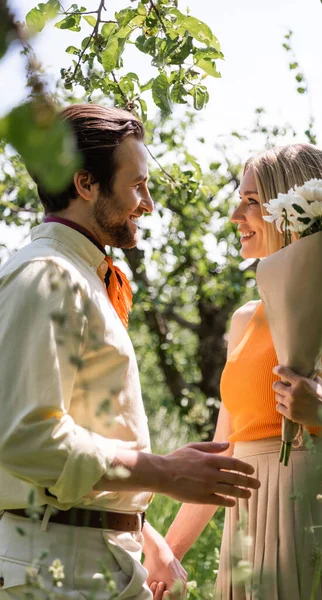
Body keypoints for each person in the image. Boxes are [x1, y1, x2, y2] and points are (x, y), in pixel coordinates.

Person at [0, 103, 261, 600]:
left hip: (91, 556)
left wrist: (143, 530)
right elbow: (24, 437)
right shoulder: (47, 277)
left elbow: (83, 433)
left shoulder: (81, 278)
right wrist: (164, 472)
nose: (149, 203)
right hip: (59, 570)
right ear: (85, 184)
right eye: (137, 184)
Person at [163, 144, 322, 599]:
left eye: (251, 201)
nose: (235, 215)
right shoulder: (242, 320)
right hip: (245, 540)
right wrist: (169, 555)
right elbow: (223, 453)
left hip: (317, 528)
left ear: (293, 210)